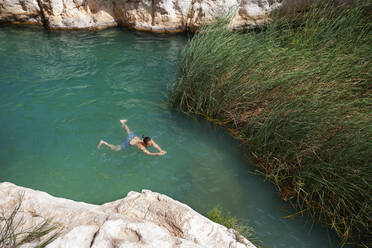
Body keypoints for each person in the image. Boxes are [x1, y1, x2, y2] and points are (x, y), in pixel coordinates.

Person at [97, 119, 166, 156]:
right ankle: (104, 142)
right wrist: (157, 154)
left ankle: (123, 122)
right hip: (129, 142)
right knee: (116, 149)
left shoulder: (149, 140)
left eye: (151, 143)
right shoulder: (141, 146)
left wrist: (160, 150)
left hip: (133, 137)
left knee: (129, 132)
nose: (151, 144)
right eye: (150, 144)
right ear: (145, 143)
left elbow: (156, 145)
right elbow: (148, 153)